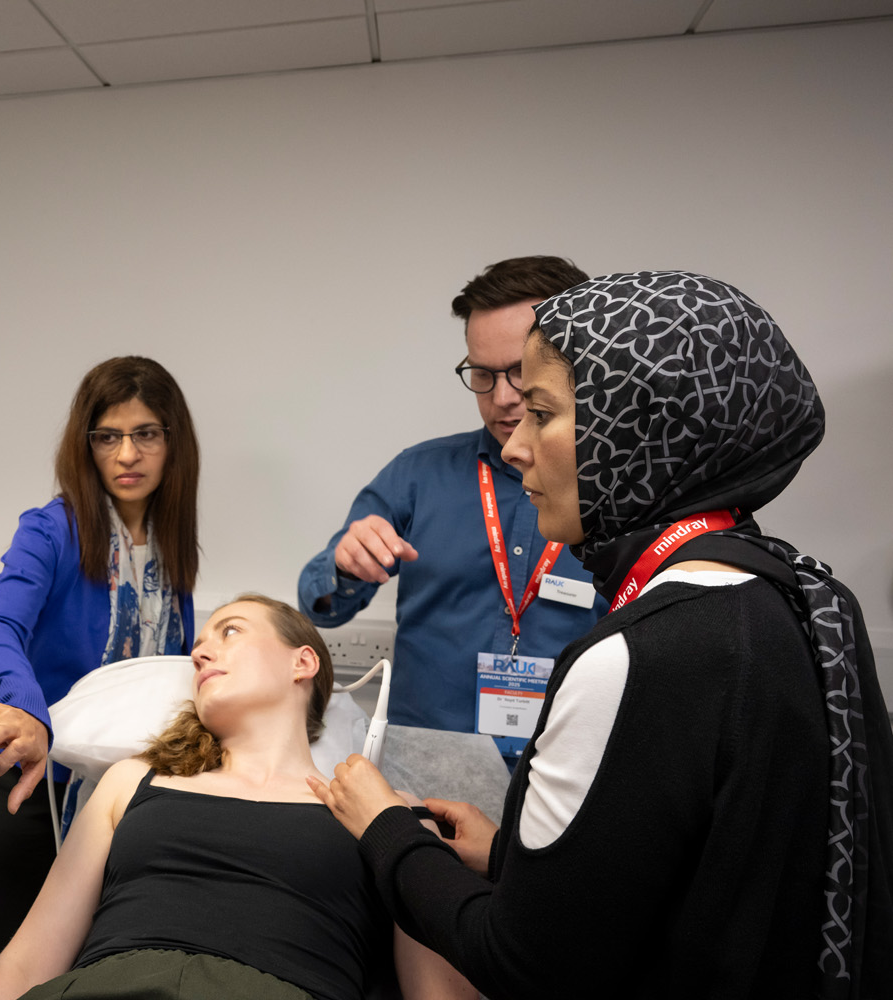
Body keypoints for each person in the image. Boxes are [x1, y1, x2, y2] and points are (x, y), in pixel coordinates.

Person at [310, 271, 893, 998]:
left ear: (633, 427)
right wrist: (510, 857)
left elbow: (523, 962)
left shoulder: (635, 654)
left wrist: (384, 829)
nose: (513, 437)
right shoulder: (794, 597)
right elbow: (682, 880)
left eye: (540, 408)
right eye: (484, 377)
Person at [0, 595, 475, 1000]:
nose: (201, 653)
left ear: (302, 662)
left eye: (230, 631)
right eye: (200, 645)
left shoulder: (385, 810)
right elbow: (28, 961)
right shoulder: (132, 782)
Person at [298, 256, 605, 762]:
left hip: (570, 765)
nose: (502, 398)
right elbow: (319, 605)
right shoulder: (419, 474)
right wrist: (346, 564)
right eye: (482, 374)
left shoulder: (621, 490)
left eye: (521, 372)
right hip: (424, 767)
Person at [0, 356, 200, 994]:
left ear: (173, 442)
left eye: (146, 434)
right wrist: (22, 708)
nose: (127, 454)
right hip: (33, 782)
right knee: (4, 976)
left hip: (129, 804)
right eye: (107, 436)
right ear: (85, 444)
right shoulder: (53, 529)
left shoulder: (173, 540)